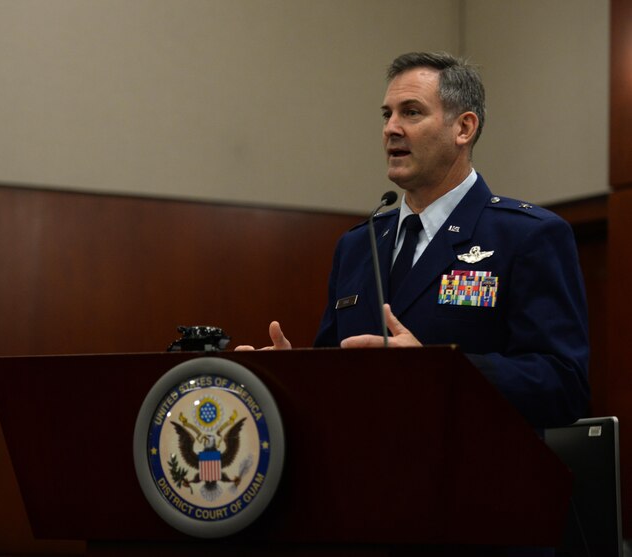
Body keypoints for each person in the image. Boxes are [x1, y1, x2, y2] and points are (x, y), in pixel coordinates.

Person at [237, 51, 589, 431]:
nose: (391, 128)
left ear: (464, 128)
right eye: (387, 114)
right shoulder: (358, 245)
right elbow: (337, 380)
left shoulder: (527, 235)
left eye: (411, 112)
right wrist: (293, 376)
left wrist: (440, 371)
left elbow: (562, 385)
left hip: (473, 481)